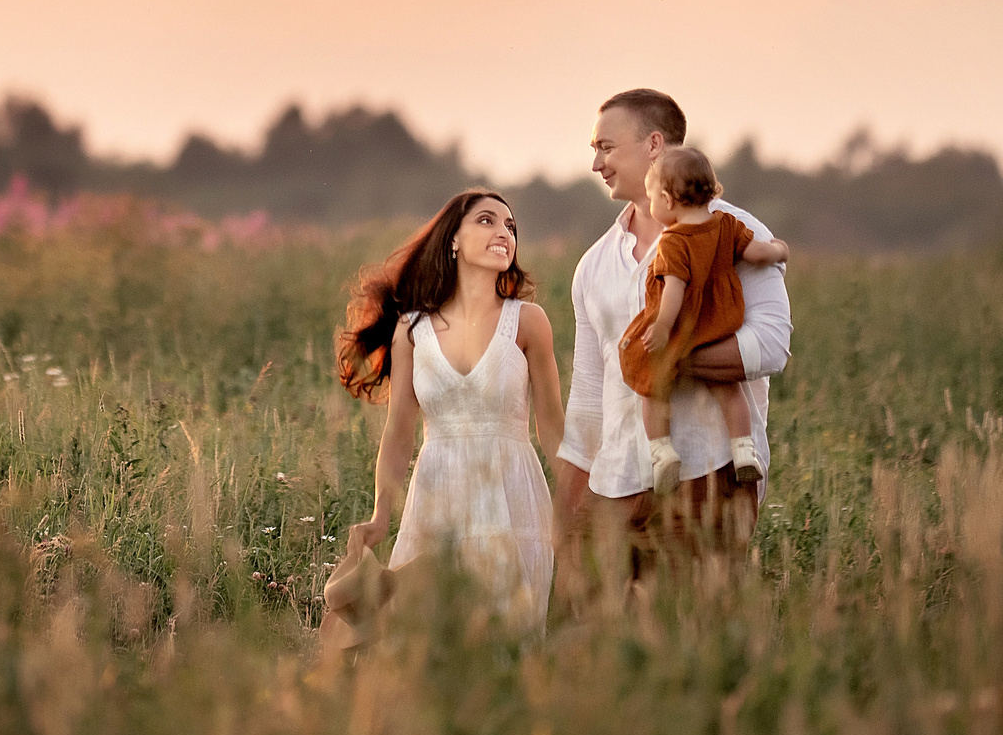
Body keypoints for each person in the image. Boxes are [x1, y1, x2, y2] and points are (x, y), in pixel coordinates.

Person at [556, 90, 792, 572]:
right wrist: (562, 511)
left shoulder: (733, 230)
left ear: (654, 145)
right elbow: (587, 395)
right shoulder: (593, 266)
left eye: (606, 147)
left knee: (692, 637)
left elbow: (772, 345)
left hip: (708, 474)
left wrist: (665, 359)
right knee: (581, 634)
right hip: (614, 482)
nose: (596, 163)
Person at [334, 189, 567, 633]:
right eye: (487, 221)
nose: (503, 233)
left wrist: (575, 510)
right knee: (425, 639)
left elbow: (552, 429)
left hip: (511, 497)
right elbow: (400, 433)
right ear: (453, 240)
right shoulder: (412, 329)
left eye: (510, 227)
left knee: (506, 639)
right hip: (436, 498)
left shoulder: (528, 321)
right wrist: (381, 514)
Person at [619, 146, 790, 493]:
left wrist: (663, 327)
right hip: (721, 322)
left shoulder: (673, 241)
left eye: (653, 197)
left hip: (687, 325)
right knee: (728, 388)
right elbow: (758, 253)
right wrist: (780, 250)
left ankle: (662, 452)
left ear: (667, 199)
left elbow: (674, 290)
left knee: (652, 385)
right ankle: (744, 450)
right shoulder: (726, 225)